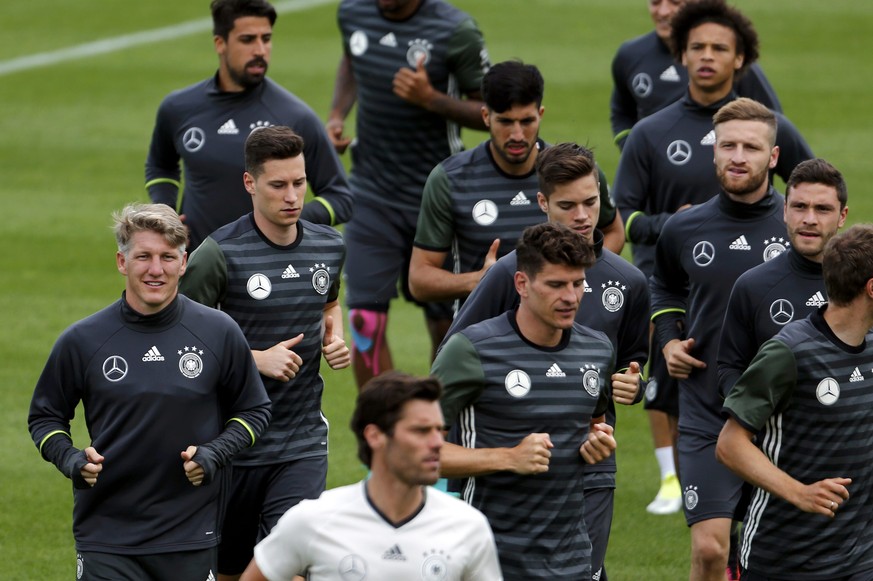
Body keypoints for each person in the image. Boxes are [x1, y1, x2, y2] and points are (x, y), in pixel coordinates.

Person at [612, 0, 813, 518]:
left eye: (718, 48)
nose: (706, 57)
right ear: (680, 54)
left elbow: (813, 194)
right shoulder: (650, 133)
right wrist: (669, 224)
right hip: (686, 283)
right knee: (676, 392)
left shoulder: (771, 128)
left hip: (769, 312)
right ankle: (677, 480)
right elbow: (622, 217)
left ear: (740, 58)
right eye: (696, 47)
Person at [28, 203, 271, 580]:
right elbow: (45, 416)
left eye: (167, 257)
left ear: (184, 262)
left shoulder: (219, 331)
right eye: (143, 256)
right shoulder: (83, 340)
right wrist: (70, 460)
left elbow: (254, 410)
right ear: (122, 262)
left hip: (190, 534)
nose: (156, 269)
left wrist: (214, 453)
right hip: (107, 535)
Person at [444, 143, 648, 581]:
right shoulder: (507, 275)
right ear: (543, 203)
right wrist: (500, 453)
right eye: (567, 205)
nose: (581, 216)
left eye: (590, 203)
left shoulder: (629, 282)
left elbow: (627, 366)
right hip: (504, 478)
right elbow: (457, 358)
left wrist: (627, 390)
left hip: (589, 466)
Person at [179, 126, 349, 581]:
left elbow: (329, 303)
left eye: (299, 182)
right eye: (278, 185)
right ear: (250, 184)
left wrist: (334, 338)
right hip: (234, 444)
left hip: (301, 440)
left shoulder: (329, 246)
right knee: (235, 572)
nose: (292, 196)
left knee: (290, 569)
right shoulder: (219, 254)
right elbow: (181, 339)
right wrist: (255, 359)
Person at [649, 97, 792, 581]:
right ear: (713, 152)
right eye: (727, 145)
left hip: (781, 418)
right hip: (706, 409)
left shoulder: (799, 230)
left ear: (773, 158)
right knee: (710, 549)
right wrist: (668, 339)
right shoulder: (683, 227)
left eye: (751, 147)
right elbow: (663, 285)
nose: (737, 156)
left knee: (767, 554)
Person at [432, 222, 619, 580]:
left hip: (572, 560)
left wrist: (600, 441)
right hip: (490, 559)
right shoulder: (472, 351)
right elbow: (411, 452)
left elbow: (594, 425)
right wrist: (507, 457)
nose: (571, 297)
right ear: (522, 284)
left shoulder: (597, 349)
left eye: (578, 284)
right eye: (555, 285)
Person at [327, 0, 490, 388]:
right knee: (364, 320)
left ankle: (439, 427)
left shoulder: (456, 31)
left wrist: (430, 99)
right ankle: (385, 428)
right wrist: (337, 114)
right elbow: (352, 59)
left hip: (437, 199)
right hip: (370, 196)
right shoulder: (353, 12)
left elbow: (492, 111)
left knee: (446, 325)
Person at [716, 224, 873, 580]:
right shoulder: (789, 352)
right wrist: (800, 493)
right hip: (784, 558)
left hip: (859, 556)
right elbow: (729, 445)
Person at [239, 372, 503, 581]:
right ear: (375, 436)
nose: (437, 442)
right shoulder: (312, 520)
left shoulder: (468, 527)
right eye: (421, 431)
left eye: (438, 430)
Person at [409, 61, 623, 311]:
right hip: (484, 333)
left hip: (562, 329)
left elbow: (614, 231)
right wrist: (480, 280)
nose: (518, 135)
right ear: (486, 117)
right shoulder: (450, 179)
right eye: (506, 122)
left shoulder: (572, 171)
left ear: (540, 114)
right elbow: (419, 279)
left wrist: (573, 275)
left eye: (527, 121)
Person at [145, 0, 352, 252]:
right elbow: (161, 164)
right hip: (196, 269)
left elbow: (341, 198)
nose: (260, 50)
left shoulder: (295, 117)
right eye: (248, 40)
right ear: (220, 44)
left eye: (266, 38)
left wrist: (285, 220)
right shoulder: (178, 108)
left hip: (267, 272)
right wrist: (166, 211)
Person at [718, 158, 849, 398]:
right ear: (785, 211)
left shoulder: (863, 285)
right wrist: (748, 414)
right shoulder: (753, 286)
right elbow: (729, 368)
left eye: (822, 209)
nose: (809, 218)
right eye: (800, 206)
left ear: (842, 216)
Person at [610, 0, 782, 150]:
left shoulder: (729, 65)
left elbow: (772, 124)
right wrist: (630, 145)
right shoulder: (630, 56)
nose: (663, 11)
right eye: (655, 2)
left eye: (675, 2)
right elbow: (622, 110)